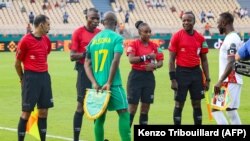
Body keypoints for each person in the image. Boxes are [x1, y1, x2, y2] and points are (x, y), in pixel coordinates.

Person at [84, 11, 131, 141]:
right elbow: (115, 60)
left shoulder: (93, 40)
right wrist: (109, 82)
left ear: (103, 23)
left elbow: (87, 63)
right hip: (113, 84)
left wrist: (93, 82)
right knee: (123, 112)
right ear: (115, 24)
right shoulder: (117, 38)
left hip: (97, 86)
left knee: (99, 117)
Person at [15, 14, 53, 141]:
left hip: (44, 77)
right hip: (31, 78)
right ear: (41, 25)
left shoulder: (46, 40)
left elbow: (45, 54)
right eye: (48, 24)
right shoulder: (25, 40)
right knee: (26, 112)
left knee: (44, 112)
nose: (49, 27)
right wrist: (22, 78)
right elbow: (17, 63)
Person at [168, 11, 210, 125]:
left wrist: (208, 79)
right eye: (184, 20)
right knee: (179, 104)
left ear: (194, 22)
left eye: (188, 20)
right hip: (181, 73)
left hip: (196, 73)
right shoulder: (176, 36)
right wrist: (173, 79)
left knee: (197, 104)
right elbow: (171, 60)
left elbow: (204, 60)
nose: (186, 22)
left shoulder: (200, 38)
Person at [69, 8, 100, 141]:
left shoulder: (100, 33)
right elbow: (72, 56)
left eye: (97, 19)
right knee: (81, 105)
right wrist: (85, 54)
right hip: (83, 71)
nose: (95, 21)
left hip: (98, 71)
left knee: (98, 106)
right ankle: (76, 138)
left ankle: (98, 138)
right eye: (92, 18)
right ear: (86, 17)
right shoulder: (78, 33)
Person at [126, 20, 164, 127]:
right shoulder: (133, 44)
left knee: (145, 109)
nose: (148, 34)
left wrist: (155, 66)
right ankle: (126, 136)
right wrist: (146, 57)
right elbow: (131, 59)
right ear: (139, 32)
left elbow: (161, 61)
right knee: (132, 108)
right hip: (135, 77)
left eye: (149, 32)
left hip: (149, 78)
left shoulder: (155, 46)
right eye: (145, 32)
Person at [212, 12, 243, 125]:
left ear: (224, 23)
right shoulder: (233, 37)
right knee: (230, 111)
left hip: (230, 79)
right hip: (231, 79)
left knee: (216, 109)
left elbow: (231, 62)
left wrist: (220, 81)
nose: (217, 25)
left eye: (218, 22)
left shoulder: (231, 39)